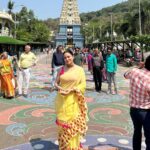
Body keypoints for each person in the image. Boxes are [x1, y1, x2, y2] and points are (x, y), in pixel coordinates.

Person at [54, 49, 88, 149]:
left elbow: (83, 84)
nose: (67, 59)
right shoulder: (61, 69)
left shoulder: (79, 69)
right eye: (65, 57)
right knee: (63, 125)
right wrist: (60, 88)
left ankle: (74, 147)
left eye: (69, 56)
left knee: (72, 125)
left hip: (74, 100)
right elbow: (56, 83)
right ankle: (65, 146)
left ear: (73, 57)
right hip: (62, 100)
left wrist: (72, 90)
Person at [124, 55, 150, 150]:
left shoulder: (134, 71)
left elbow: (125, 74)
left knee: (137, 132)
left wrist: (138, 67)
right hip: (146, 112)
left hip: (133, 110)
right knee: (149, 137)